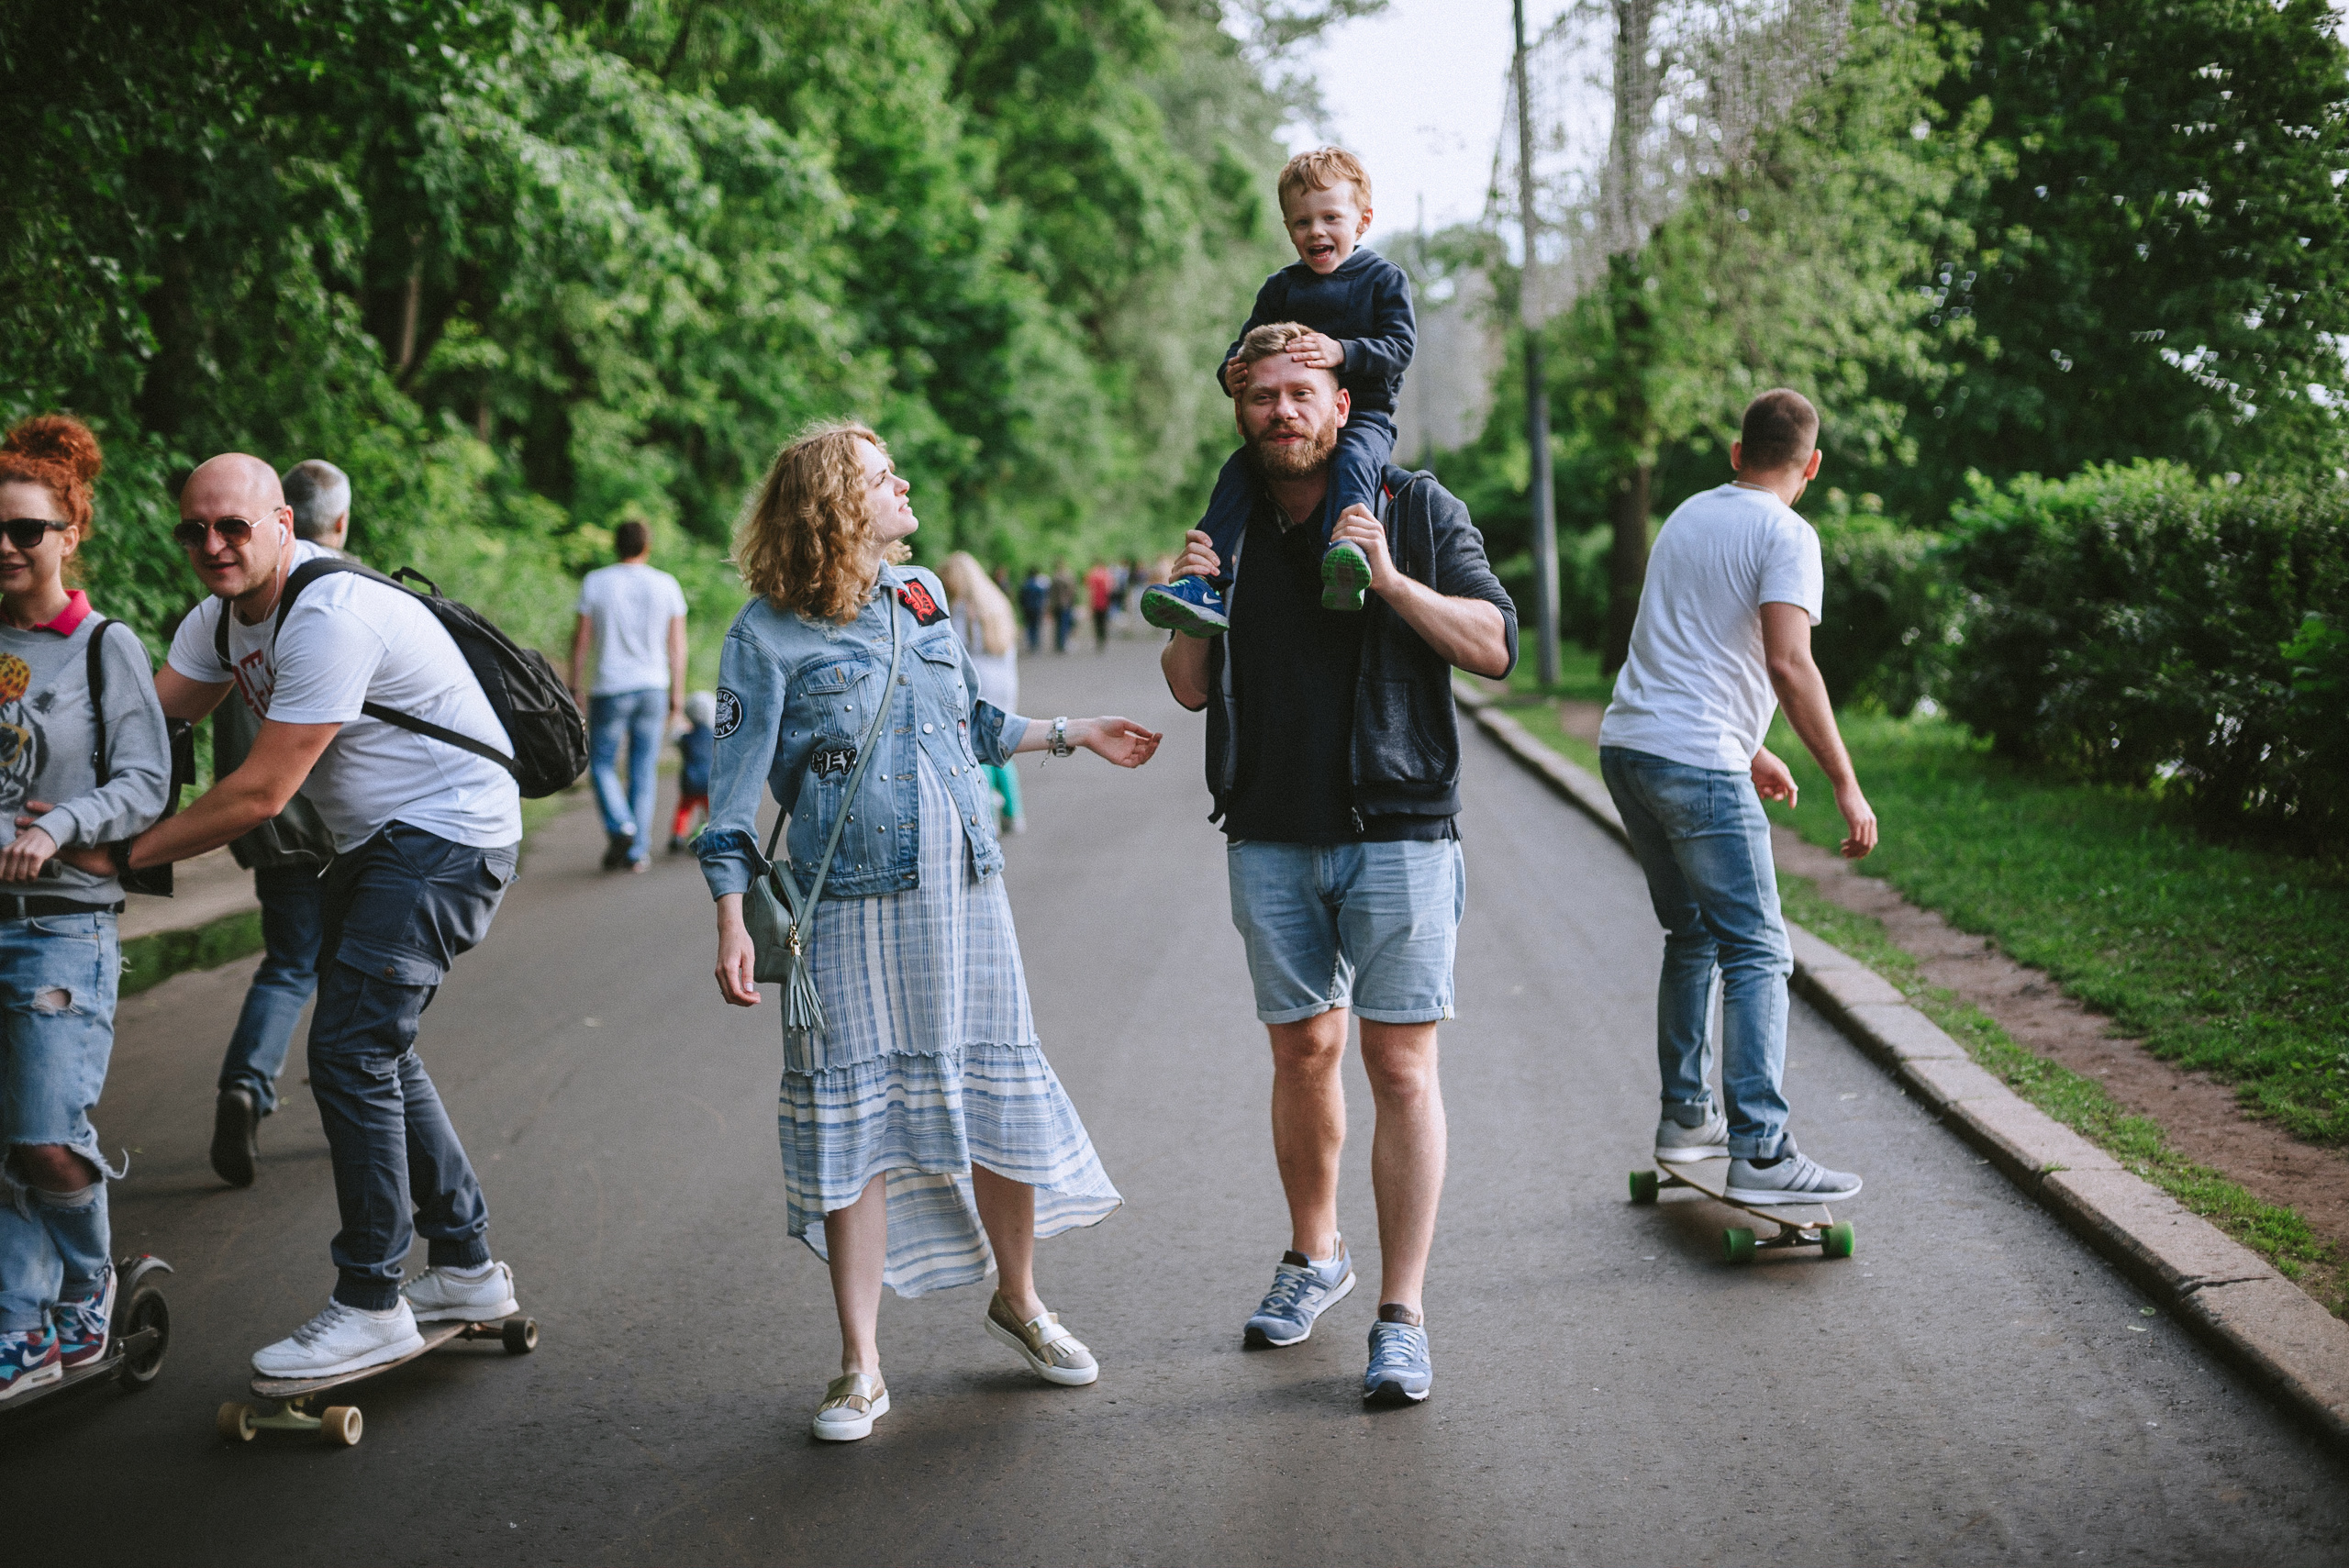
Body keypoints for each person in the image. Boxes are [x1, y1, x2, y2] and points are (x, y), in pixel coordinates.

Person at [701, 421, 1162, 1442]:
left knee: (994, 1089)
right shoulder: (764, 635)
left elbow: (968, 727)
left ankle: (1021, 1300)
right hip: (845, 905)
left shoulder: (926, 598)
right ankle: (860, 1366)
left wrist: (1070, 732)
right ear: (832, 506)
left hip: (963, 892)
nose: (902, 481)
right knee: (850, 1121)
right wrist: (732, 916)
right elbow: (728, 801)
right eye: (878, 474)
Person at [85, 452, 527, 1381]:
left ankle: (372, 1300)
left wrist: (122, 856)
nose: (212, 544)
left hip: (447, 834)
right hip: (378, 844)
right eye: (194, 529)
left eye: (233, 526)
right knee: (380, 1046)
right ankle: (467, 1265)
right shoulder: (219, 619)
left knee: (348, 1051)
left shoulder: (328, 614)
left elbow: (258, 790)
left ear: (283, 522)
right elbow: (142, 721)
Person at [1159, 323, 1516, 1408]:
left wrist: (1393, 579)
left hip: (1397, 827)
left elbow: (1494, 645)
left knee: (1401, 1068)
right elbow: (1184, 686)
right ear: (1241, 410)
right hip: (1268, 827)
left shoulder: (1412, 505)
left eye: (1300, 392)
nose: (1281, 411)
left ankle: (1400, 1314)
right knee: (1302, 1055)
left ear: (1340, 399)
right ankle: (1316, 1254)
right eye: (1261, 396)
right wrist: (1188, 599)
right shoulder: (1233, 527)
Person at [1598, 388, 1876, 1204]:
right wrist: (1845, 781)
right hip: (1693, 760)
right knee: (1759, 948)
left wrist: (1751, 746)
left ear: (1734, 452)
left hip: (1630, 748)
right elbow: (1791, 664)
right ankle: (1761, 1147)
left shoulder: (1687, 515)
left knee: (1691, 934)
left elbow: (1677, 645)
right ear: (1812, 466)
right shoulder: (1788, 533)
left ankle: (1687, 1116)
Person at [0, 415, 172, 1403]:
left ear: (70, 533)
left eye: (28, 530)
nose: (9, 547)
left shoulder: (103, 646)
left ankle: (87, 1280)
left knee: (44, 1132)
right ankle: (20, 1321)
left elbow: (146, 780)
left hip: (61, 923)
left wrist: (61, 821)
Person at [1141, 148, 1414, 638]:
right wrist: (1233, 373)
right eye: (1302, 222)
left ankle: (1345, 554)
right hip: (1294, 425)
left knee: (1354, 462)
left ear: (1363, 220)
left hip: (1364, 414)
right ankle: (1204, 580)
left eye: (1331, 217)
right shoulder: (1280, 289)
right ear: (1288, 228)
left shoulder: (1382, 279)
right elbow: (1242, 347)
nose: (1316, 232)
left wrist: (1342, 351)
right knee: (1237, 471)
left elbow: (1399, 347)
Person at [207, 458, 348, 1187]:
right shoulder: (346, 595)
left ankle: (245, 1086)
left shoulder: (231, 602)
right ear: (341, 522)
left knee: (288, 963)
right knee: (344, 975)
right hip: (335, 831)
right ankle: (345, 1106)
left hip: (265, 828)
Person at [570, 519, 687, 872]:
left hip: (610, 686)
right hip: (653, 685)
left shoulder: (596, 582)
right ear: (647, 546)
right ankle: (637, 851)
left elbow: (581, 640)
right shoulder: (666, 584)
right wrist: (676, 696)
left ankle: (622, 824)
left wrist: (575, 686)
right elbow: (677, 646)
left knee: (602, 763)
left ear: (615, 545)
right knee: (643, 769)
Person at [938, 550, 1026, 834]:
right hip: (1005, 681)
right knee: (1003, 745)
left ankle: (990, 817)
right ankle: (1016, 812)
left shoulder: (963, 609)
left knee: (978, 748)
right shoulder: (998, 602)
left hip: (979, 683)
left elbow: (956, 650)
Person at [667, 690, 716, 853]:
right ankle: (710, 833)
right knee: (712, 812)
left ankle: (678, 836)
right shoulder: (714, 736)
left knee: (684, 810)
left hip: (690, 782)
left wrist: (678, 721)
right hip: (709, 782)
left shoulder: (686, 737)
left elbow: (673, 738)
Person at [1019, 569, 1049, 654]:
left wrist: (1023, 606)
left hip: (1027, 609)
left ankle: (1030, 644)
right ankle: (1035, 644)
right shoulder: (1038, 586)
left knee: (1029, 626)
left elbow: (1021, 598)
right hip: (1036, 609)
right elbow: (1043, 597)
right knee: (1036, 626)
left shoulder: (1025, 585)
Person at [1047, 563, 1076, 654]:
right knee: (1064, 625)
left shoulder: (1054, 578)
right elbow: (1072, 591)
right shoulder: (1067, 578)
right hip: (1065, 604)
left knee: (1058, 625)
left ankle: (1058, 644)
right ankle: (1062, 644)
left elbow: (1051, 593)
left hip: (1056, 605)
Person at [1085, 561, 1114, 651]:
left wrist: (1089, 604)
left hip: (1095, 602)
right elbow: (1110, 589)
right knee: (1104, 623)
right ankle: (1103, 640)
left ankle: (1098, 641)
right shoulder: (1107, 575)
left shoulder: (1092, 575)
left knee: (1097, 623)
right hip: (1105, 602)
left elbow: (1090, 590)